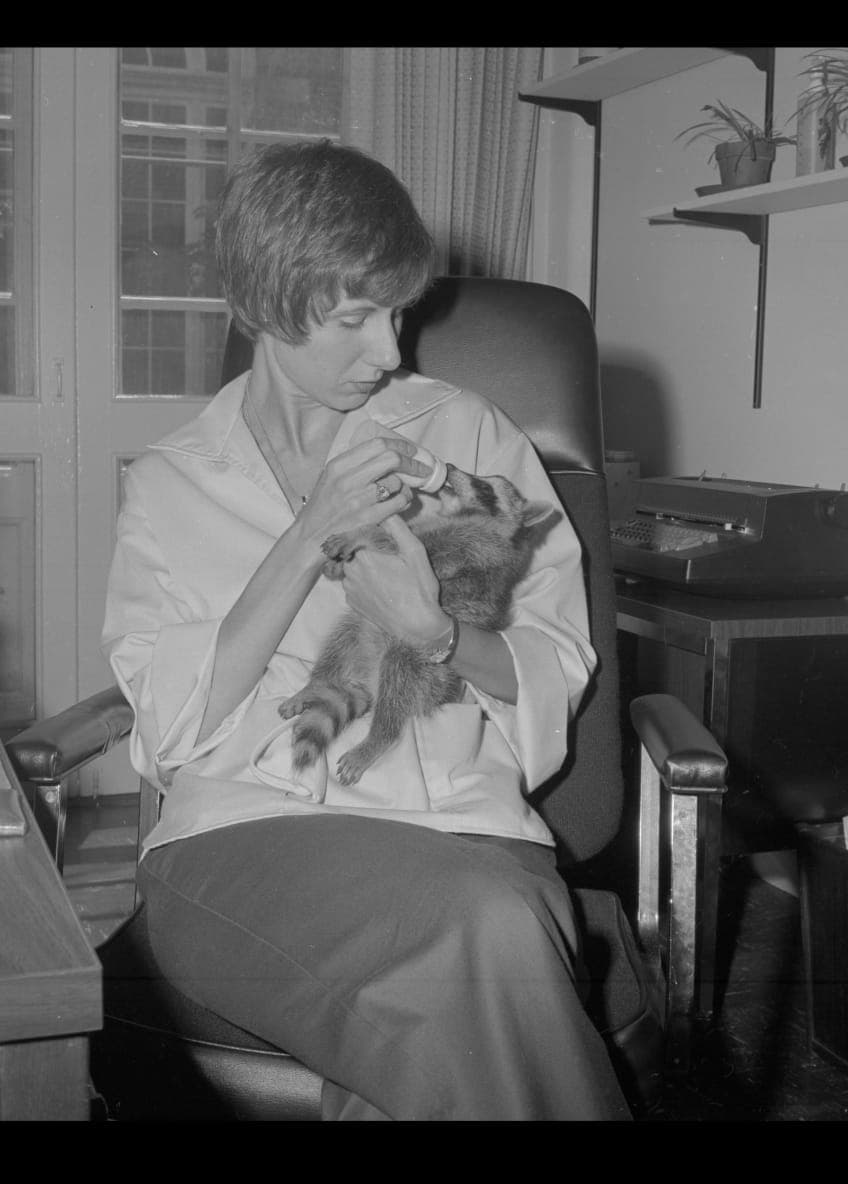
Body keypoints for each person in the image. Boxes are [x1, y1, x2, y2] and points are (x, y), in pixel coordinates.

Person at [101, 139, 631, 1121]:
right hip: (245, 847)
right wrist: (306, 537)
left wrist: (437, 636)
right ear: (263, 306)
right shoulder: (171, 486)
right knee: (490, 941)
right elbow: (172, 734)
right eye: (354, 319)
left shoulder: (469, 437)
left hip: (466, 835)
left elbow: (558, 660)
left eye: (398, 313)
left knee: (460, 972)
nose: (390, 353)